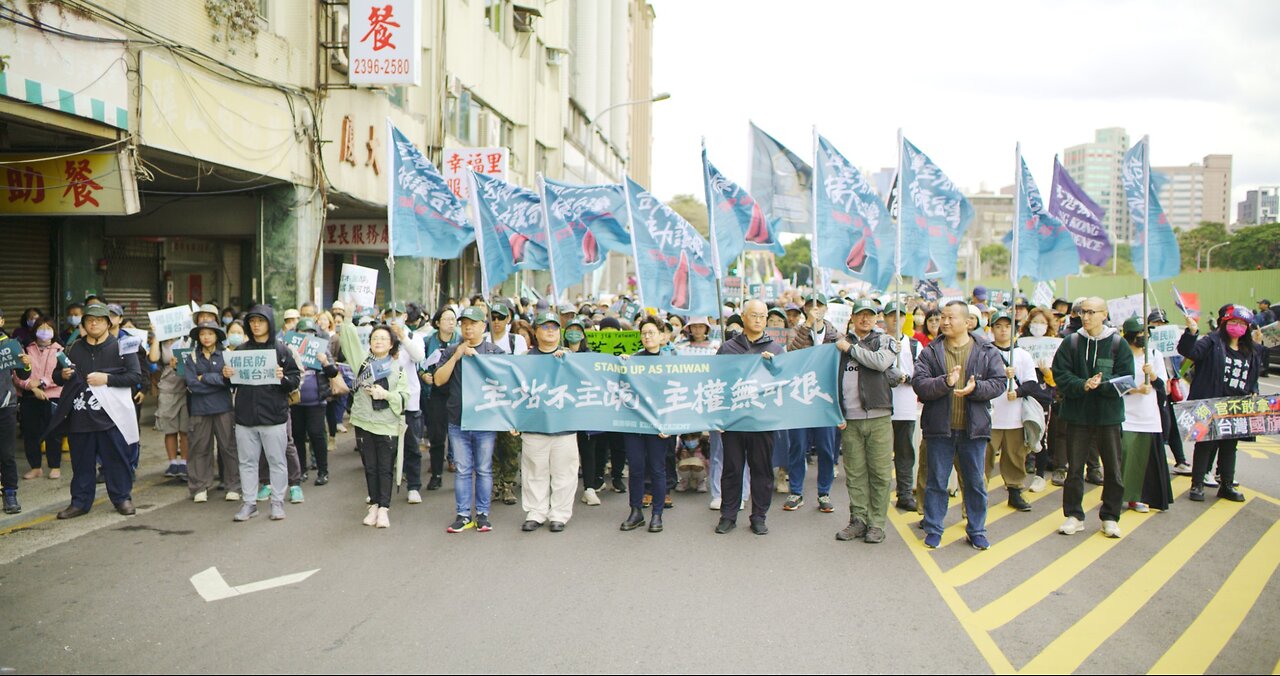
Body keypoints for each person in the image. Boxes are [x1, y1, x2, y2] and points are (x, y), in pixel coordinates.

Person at [912, 301, 1007, 550]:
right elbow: (919, 384)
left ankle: (976, 530)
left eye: (950, 317)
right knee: (936, 481)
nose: (944, 322)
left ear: (967, 322)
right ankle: (933, 528)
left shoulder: (986, 350)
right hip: (939, 430)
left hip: (973, 429)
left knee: (975, 482)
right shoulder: (931, 351)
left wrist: (977, 389)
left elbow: (999, 383)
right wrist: (946, 381)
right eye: (942, 317)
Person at [1052, 297, 1134, 538]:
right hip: (1077, 416)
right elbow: (1060, 374)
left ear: (1104, 314)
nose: (1085, 317)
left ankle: (1110, 516)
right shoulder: (1072, 342)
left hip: (1108, 417)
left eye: (1091, 312)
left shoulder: (1119, 343)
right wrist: (1082, 385)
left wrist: (1103, 384)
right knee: (1075, 467)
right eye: (1082, 312)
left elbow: (1127, 378)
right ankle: (1074, 515)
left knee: (1113, 469)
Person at [51, 302, 143, 519]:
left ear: (108, 323)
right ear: (83, 324)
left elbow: (135, 376)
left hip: (112, 416)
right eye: (90, 320)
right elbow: (57, 375)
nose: (94, 323)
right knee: (81, 462)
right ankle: (80, 502)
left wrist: (107, 379)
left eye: (100, 320)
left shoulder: (122, 346)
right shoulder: (73, 348)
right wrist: (61, 375)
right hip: (80, 416)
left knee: (116, 460)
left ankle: (122, 498)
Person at [832, 298, 900, 544]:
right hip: (850, 420)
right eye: (860, 314)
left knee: (880, 474)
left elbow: (881, 362)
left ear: (876, 318)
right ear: (852, 317)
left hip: (879, 417)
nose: (865, 319)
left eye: (870, 315)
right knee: (856, 474)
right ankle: (858, 520)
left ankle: (877, 523)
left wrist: (850, 350)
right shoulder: (839, 342)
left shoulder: (883, 340)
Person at [714, 299, 784, 536]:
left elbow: (784, 383)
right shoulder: (727, 348)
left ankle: (759, 516)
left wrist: (773, 367)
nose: (758, 320)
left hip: (762, 421)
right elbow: (716, 383)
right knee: (732, 468)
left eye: (763, 316)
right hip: (734, 420)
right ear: (743, 317)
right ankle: (728, 515)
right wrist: (719, 418)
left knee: (762, 470)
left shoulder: (775, 350)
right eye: (753, 315)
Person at [1178, 304, 1261, 503]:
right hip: (1211, 402)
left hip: (1235, 406)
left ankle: (1226, 485)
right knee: (1206, 444)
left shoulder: (1249, 349)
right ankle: (1197, 485)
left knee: (1229, 446)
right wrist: (1191, 332)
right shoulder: (1212, 342)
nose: (1237, 327)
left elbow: (1252, 375)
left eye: (1242, 324)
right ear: (1224, 323)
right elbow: (1189, 351)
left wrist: (1254, 391)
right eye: (1233, 322)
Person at [226, 305, 302, 523]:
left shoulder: (281, 350)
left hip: (274, 416)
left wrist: (282, 378)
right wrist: (226, 375)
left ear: (269, 322)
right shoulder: (240, 351)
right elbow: (230, 383)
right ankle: (249, 503)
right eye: (252, 321)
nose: (256, 325)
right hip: (245, 417)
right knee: (247, 462)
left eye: (261, 320)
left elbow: (294, 379)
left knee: (276, 460)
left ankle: (277, 501)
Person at [434, 306, 505, 533]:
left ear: (483, 327)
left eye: (473, 323)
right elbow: (438, 380)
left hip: (485, 420)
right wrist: (456, 356)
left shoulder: (494, 352)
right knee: (463, 469)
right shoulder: (452, 350)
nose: (468, 328)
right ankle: (463, 514)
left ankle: (482, 514)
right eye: (464, 323)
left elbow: (506, 381)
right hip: (458, 419)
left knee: (484, 468)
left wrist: (480, 360)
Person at [339, 321, 409, 529]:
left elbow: (405, 396)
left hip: (387, 424)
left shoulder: (397, 368)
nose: (378, 341)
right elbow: (348, 341)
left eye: (383, 339)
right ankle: (374, 504)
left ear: (391, 344)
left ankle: (384, 508)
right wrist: (347, 318)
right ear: (369, 342)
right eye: (375, 338)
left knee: (385, 467)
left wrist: (385, 394)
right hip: (364, 423)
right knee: (369, 466)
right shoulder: (362, 363)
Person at [518, 312, 580, 533]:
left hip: (564, 427)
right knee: (535, 471)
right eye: (545, 327)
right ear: (536, 332)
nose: (550, 331)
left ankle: (559, 514)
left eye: (554, 327)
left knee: (565, 472)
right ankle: (536, 512)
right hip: (535, 425)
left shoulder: (570, 359)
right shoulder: (525, 359)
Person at [784, 293, 839, 514]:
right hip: (800, 397)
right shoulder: (797, 331)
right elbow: (792, 351)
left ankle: (824, 492)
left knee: (826, 448)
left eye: (819, 306)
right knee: (797, 446)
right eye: (810, 306)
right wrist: (806, 325)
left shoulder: (835, 334)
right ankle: (796, 491)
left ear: (826, 309)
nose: (815, 310)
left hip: (824, 399)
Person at [620, 315, 674, 534]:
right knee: (635, 467)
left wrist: (669, 425)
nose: (647, 337)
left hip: (658, 426)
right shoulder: (632, 360)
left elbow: (675, 395)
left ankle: (657, 514)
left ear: (661, 336)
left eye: (651, 332)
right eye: (643, 333)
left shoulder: (671, 362)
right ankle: (636, 511)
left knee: (657, 469)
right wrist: (622, 364)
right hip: (635, 424)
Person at [986, 310, 1041, 513]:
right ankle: (979, 493)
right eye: (998, 326)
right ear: (991, 329)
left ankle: (1015, 491)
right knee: (985, 456)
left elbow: (1032, 384)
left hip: (1014, 417)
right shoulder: (985, 352)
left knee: (1015, 456)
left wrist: (1017, 392)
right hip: (990, 416)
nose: (1003, 331)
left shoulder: (1022, 355)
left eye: (1007, 326)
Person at [1118, 317, 1172, 512]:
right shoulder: (1120, 355)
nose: (1144, 337)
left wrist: (1154, 375)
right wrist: (1136, 390)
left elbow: (1163, 386)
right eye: (1140, 334)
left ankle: (1138, 496)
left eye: (1146, 333)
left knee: (1144, 457)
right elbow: (1114, 382)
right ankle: (1121, 494)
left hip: (1148, 415)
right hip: (1126, 415)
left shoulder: (1154, 355)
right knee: (1126, 454)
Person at [183, 321, 240, 502]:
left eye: (210, 333)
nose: (206, 337)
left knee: (229, 447)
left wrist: (205, 378)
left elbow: (231, 382)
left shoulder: (227, 355)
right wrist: (218, 380)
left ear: (217, 335)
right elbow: (192, 385)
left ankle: (234, 486)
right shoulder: (192, 357)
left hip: (223, 408)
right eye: (202, 334)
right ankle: (199, 487)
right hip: (199, 409)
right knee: (199, 448)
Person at [290, 318, 340, 487]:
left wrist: (325, 362)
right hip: (296, 402)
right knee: (297, 435)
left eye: (310, 333)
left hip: (316, 401)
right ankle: (301, 470)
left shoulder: (322, 348)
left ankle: (322, 471)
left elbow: (333, 373)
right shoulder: (289, 350)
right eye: (302, 333)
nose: (307, 336)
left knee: (317, 435)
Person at [883, 301, 922, 512]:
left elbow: (922, 374)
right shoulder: (878, 341)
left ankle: (905, 492)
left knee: (905, 450)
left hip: (905, 405)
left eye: (899, 315)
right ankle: (879, 493)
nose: (895, 319)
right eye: (891, 315)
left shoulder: (915, 345)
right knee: (880, 453)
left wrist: (905, 377)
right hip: (881, 405)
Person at [17, 316, 63, 481]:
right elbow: (17, 374)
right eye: (40, 328)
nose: (44, 332)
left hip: (53, 396)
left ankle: (54, 466)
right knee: (31, 433)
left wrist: (43, 383)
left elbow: (62, 374)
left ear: (54, 331)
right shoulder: (26, 349)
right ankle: (35, 467)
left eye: (48, 328)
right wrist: (32, 387)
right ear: (34, 330)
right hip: (30, 396)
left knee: (54, 433)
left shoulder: (60, 351)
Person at [422, 306, 460, 490]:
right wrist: (424, 375)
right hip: (435, 392)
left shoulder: (461, 340)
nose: (451, 322)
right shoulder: (428, 340)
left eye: (453, 319)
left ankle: (462, 473)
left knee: (459, 434)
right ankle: (436, 474)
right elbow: (420, 363)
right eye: (446, 319)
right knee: (437, 436)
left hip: (456, 392)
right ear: (437, 323)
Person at [148, 327, 191, 481]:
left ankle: (184, 462)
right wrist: (156, 336)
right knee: (170, 428)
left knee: (185, 429)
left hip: (186, 387)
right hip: (167, 388)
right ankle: (173, 463)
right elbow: (153, 358)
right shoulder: (160, 343)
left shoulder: (186, 338)